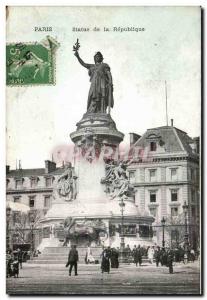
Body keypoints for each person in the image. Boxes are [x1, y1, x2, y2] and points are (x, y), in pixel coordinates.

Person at [74, 48, 114, 114]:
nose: (96, 58)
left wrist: (110, 82)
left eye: (98, 56)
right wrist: (78, 56)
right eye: (95, 57)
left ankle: (102, 111)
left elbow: (109, 74)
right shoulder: (92, 66)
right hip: (94, 84)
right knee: (91, 96)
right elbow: (84, 64)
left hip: (102, 83)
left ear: (101, 58)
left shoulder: (104, 65)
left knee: (102, 97)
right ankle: (91, 111)